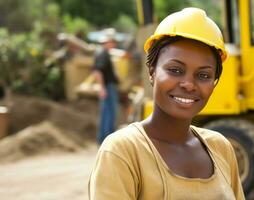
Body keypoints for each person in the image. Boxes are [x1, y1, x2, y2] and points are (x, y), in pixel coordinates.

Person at [88, 7, 245, 200]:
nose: (188, 84)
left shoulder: (221, 148)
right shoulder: (123, 151)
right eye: (175, 70)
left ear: (214, 84)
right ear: (152, 72)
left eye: (203, 75)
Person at [92, 32, 119, 144]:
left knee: (106, 113)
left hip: (107, 86)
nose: (113, 45)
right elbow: (98, 71)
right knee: (110, 113)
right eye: (112, 42)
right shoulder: (103, 54)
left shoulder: (101, 53)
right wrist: (102, 88)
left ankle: (103, 139)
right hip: (107, 87)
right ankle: (107, 139)